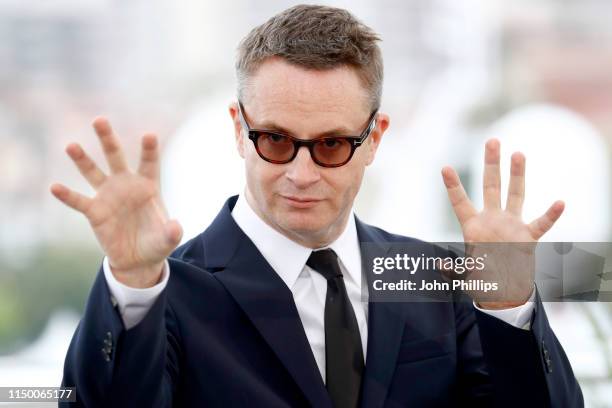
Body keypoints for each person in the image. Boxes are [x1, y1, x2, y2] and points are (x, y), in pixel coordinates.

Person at [52, 4, 583, 407]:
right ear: (239, 131)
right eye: (276, 141)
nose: (300, 174)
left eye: (331, 144)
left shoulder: (434, 280)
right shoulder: (169, 292)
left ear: (374, 138)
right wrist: (130, 284)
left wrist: (508, 305)